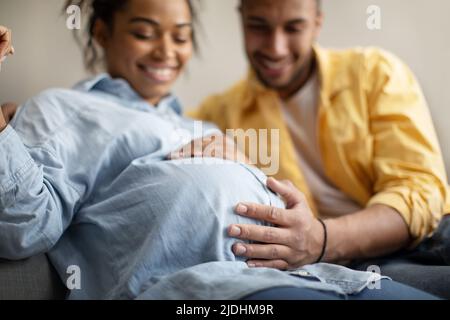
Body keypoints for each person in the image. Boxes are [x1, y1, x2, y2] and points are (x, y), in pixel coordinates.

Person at [0, 1, 438, 300]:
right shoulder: (64, 106)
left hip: (321, 272)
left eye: (181, 36)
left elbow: (421, 193)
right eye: (144, 33)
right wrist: (6, 134)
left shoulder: (200, 120)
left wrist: (242, 162)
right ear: (100, 32)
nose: (166, 51)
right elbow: (23, 226)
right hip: (214, 290)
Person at [187, 0, 450, 298]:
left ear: (317, 23)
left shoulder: (375, 73)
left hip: (433, 233)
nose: (276, 48)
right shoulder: (218, 115)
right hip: (357, 267)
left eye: (294, 28)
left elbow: (420, 189)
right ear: (242, 20)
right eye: (258, 26)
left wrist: (320, 239)